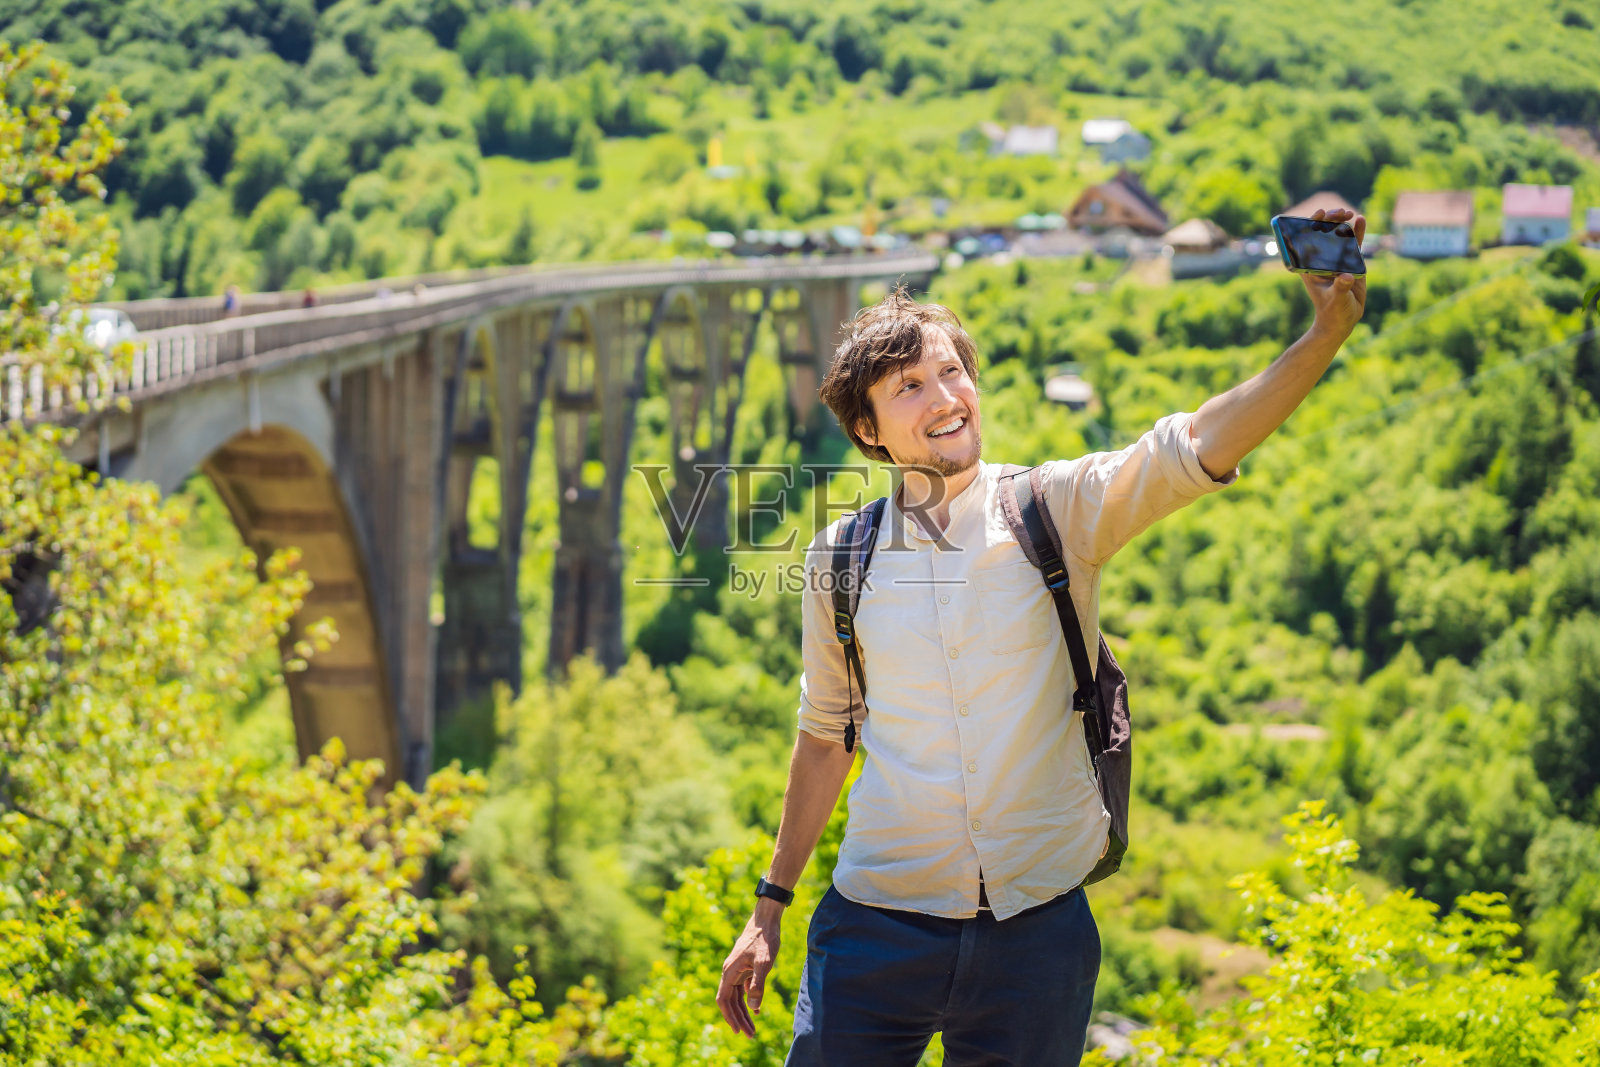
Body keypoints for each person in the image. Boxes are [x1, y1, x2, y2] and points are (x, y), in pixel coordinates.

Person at [716, 210, 1369, 1065]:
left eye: (952, 373)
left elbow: (1200, 441)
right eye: (910, 385)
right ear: (869, 431)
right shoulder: (839, 558)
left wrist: (1327, 333)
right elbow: (826, 733)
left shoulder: (1054, 510)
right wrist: (771, 902)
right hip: (876, 921)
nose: (945, 397)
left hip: (1038, 934)